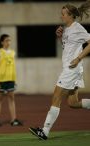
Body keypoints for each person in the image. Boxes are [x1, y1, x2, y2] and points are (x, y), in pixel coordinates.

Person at [29, 1, 90, 140]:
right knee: (73, 103)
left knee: (56, 96)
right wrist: (60, 36)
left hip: (71, 69)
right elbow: (68, 46)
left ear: (71, 15)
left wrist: (79, 58)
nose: (61, 16)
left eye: (63, 14)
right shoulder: (66, 28)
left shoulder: (77, 28)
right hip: (72, 69)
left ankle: (44, 131)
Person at [0, 34, 22, 127]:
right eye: (6, 40)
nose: (8, 42)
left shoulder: (13, 52)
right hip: (1, 79)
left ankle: (14, 120)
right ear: (2, 42)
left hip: (11, 79)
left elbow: (13, 67)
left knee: (11, 99)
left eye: (9, 40)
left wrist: (14, 79)